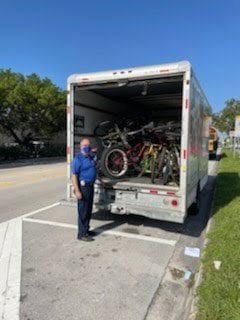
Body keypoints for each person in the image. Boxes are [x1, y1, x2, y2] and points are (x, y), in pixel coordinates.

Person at [71, 138, 97, 241]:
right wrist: (77, 191)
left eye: (88, 145)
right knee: (83, 211)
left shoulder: (91, 157)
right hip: (83, 187)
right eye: (85, 145)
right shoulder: (78, 159)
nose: (87, 147)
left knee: (89, 210)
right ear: (81, 147)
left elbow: (94, 167)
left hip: (90, 186)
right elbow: (74, 175)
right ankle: (81, 234)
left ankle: (86, 230)